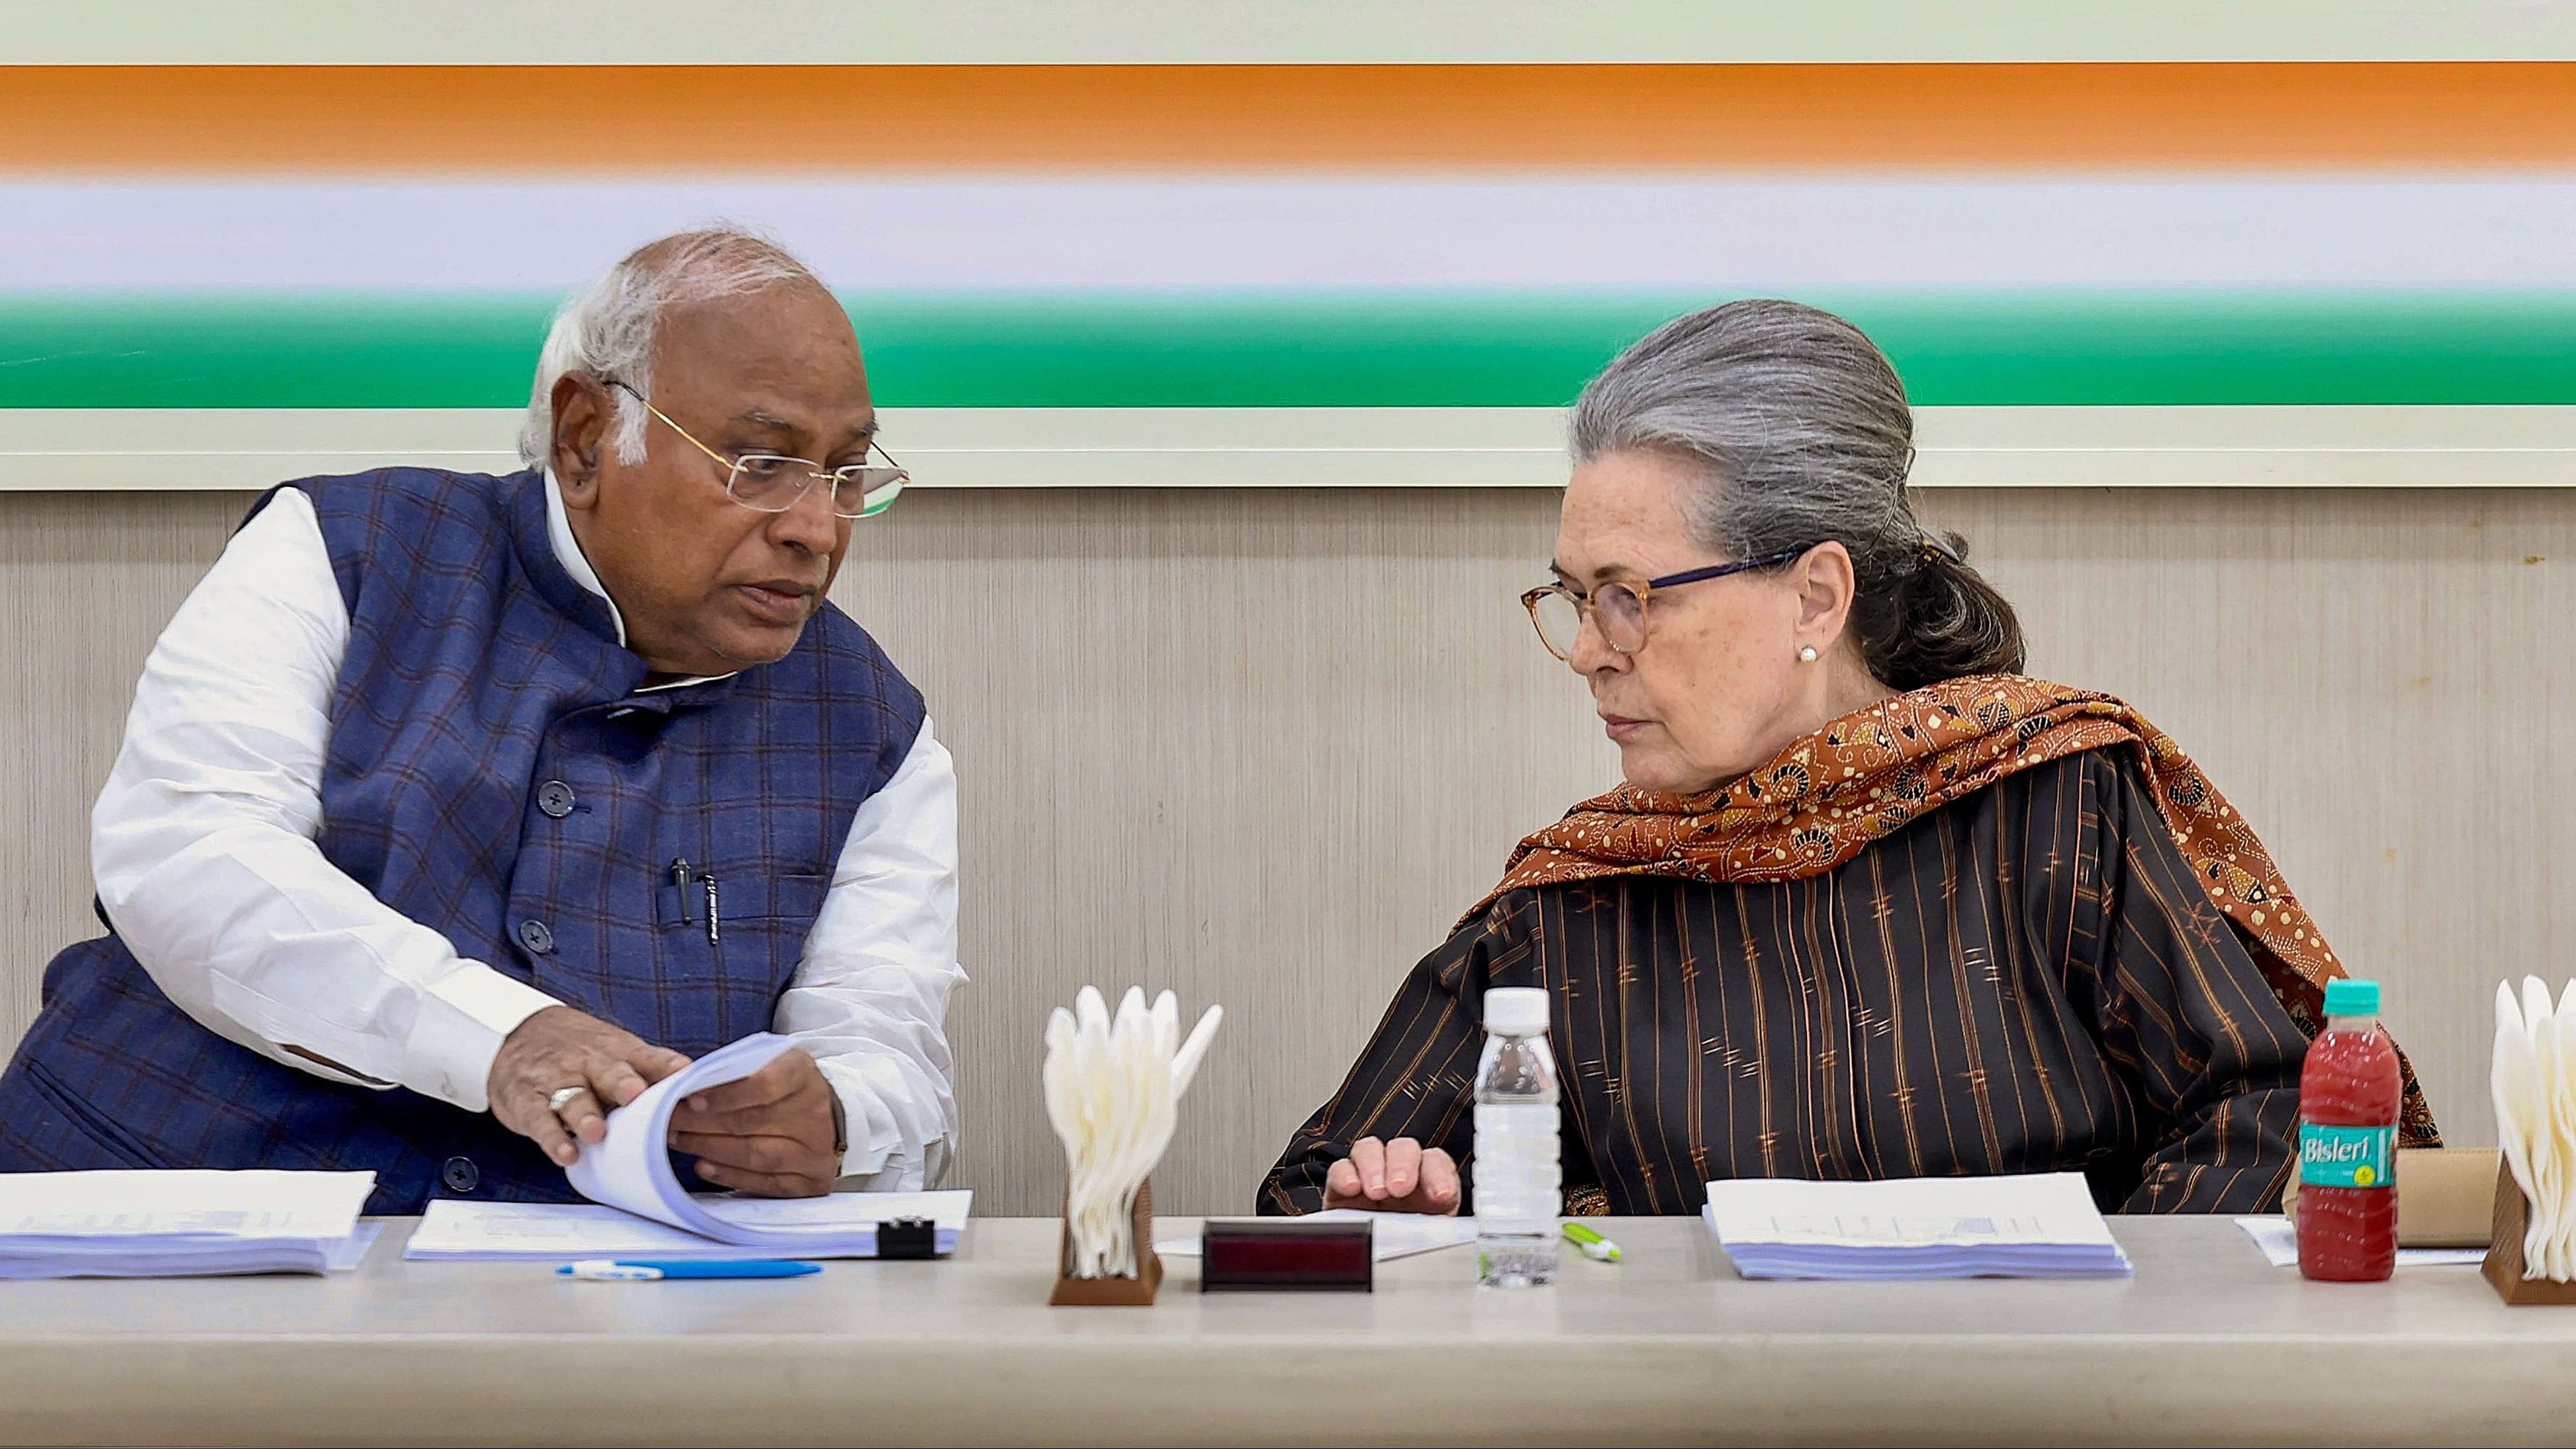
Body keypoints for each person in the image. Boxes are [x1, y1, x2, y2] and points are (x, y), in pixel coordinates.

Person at [1262, 299, 2438, 1219]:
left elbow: (2280, 1098)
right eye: (1572, 599)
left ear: (1816, 595)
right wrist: (1405, 1209)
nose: (1585, 653)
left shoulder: (2051, 800)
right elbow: (1316, 1189)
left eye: (1626, 599)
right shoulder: (1575, 901)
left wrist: (2109, 1309)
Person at [0, 229, 963, 1214]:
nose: (816, 527)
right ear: (586, 436)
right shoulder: (344, 554)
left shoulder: (877, 731)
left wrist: (837, 1119)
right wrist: (497, 1033)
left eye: (847, 474)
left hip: (564, 1300)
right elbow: (191, 858)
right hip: (150, 1213)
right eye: (759, 464)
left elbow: (889, 1051)